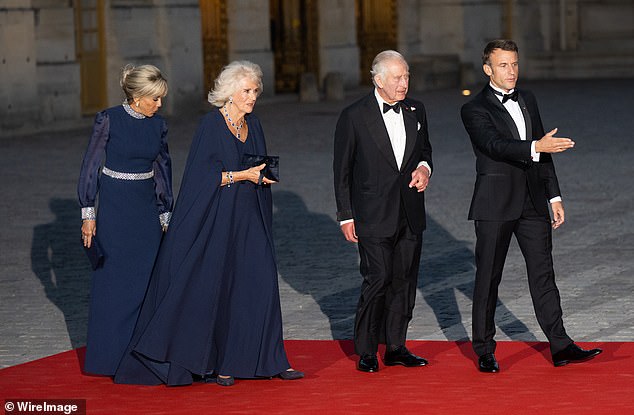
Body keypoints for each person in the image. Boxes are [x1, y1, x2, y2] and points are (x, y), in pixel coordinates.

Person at [113, 60, 303, 387]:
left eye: (255, 90)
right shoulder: (210, 126)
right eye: (246, 90)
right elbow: (200, 178)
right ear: (229, 92)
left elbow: (257, 163)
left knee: (260, 282)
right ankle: (224, 364)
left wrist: (263, 176)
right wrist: (241, 175)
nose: (253, 96)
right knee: (226, 286)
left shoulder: (253, 124)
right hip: (217, 218)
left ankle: (271, 358)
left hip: (250, 215)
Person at [461, 39, 602, 373]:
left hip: (533, 202)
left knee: (543, 275)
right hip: (495, 204)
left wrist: (553, 195)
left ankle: (561, 345)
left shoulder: (528, 98)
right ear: (487, 69)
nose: (511, 71)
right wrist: (537, 145)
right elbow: (494, 145)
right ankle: (484, 349)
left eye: (514, 64)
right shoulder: (473, 108)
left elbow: (544, 151)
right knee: (488, 279)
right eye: (503, 65)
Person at [333, 50, 433, 372]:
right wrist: (346, 215)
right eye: (397, 78)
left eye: (406, 76)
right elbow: (342, 171)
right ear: (378, 80)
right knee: (378, 278)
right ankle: (365, 350)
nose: (404, 83)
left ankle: (396, 346)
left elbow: (425, 151)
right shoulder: (354, 116)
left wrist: (424, 169)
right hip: (372, 214)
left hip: (410, 211)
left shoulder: (417, 110)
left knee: (404, 280)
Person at [78, 64, 173, 376]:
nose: (160, 105)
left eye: (161, 98)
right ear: (137, 96)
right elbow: (91, 166)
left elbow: (162, 170)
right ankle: (107, 357)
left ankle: (141, 351)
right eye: (155, 98)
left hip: (145, 210)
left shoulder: (158, 126)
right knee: (114, 282)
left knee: (145, 279)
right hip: (116, 210)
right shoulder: (109, 119)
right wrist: (88, 214)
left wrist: (165, 213)